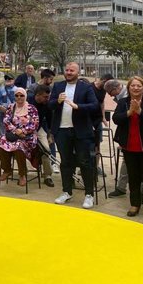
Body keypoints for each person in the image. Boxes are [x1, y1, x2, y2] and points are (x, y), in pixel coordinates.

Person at [49, 62, 99, 209]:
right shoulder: (58, 86)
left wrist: (79, 107)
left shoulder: (86, 87)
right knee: (65, 162)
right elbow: (50, 105)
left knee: (85, 162)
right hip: (62, 130)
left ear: (78, 72)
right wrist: (57, 101)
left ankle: (89, 194)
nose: (69, 72)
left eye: (72, 70)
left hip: (81, 131)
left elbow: (94, 105)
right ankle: (66, 191)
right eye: (67, 70)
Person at [112, 76, 143, 221]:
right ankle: (135, 204)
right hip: (129, 146)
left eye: (139, 86)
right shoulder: (122, 103)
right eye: (133, 86)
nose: (136, 88)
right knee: (133, 177)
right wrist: (129, 112)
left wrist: (139, 111)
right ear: (129, 88)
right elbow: (116, 119)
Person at [0, 87, 39, 186]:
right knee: (1, 144)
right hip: (14, 134)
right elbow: (6, 121)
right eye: (17, 95)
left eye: (21, 95)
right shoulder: (11, 107)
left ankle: (22, 175)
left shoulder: (32, 108)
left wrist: (23, 131)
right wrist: (16, 130)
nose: (19, 97)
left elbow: (35, 123)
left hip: (27, 137)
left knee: (19, 147)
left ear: (25, 96)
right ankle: (7, 169)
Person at [28, 84, 54, 186]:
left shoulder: (47, 104)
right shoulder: (28, 100)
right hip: (24, 130)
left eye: (48, 96)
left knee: (46, 150)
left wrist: (49, 135)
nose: (47, 99)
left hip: (39, 129)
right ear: (38, 95)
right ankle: (22, 171)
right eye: (45, 97)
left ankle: (47, 175)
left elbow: (50, 120)